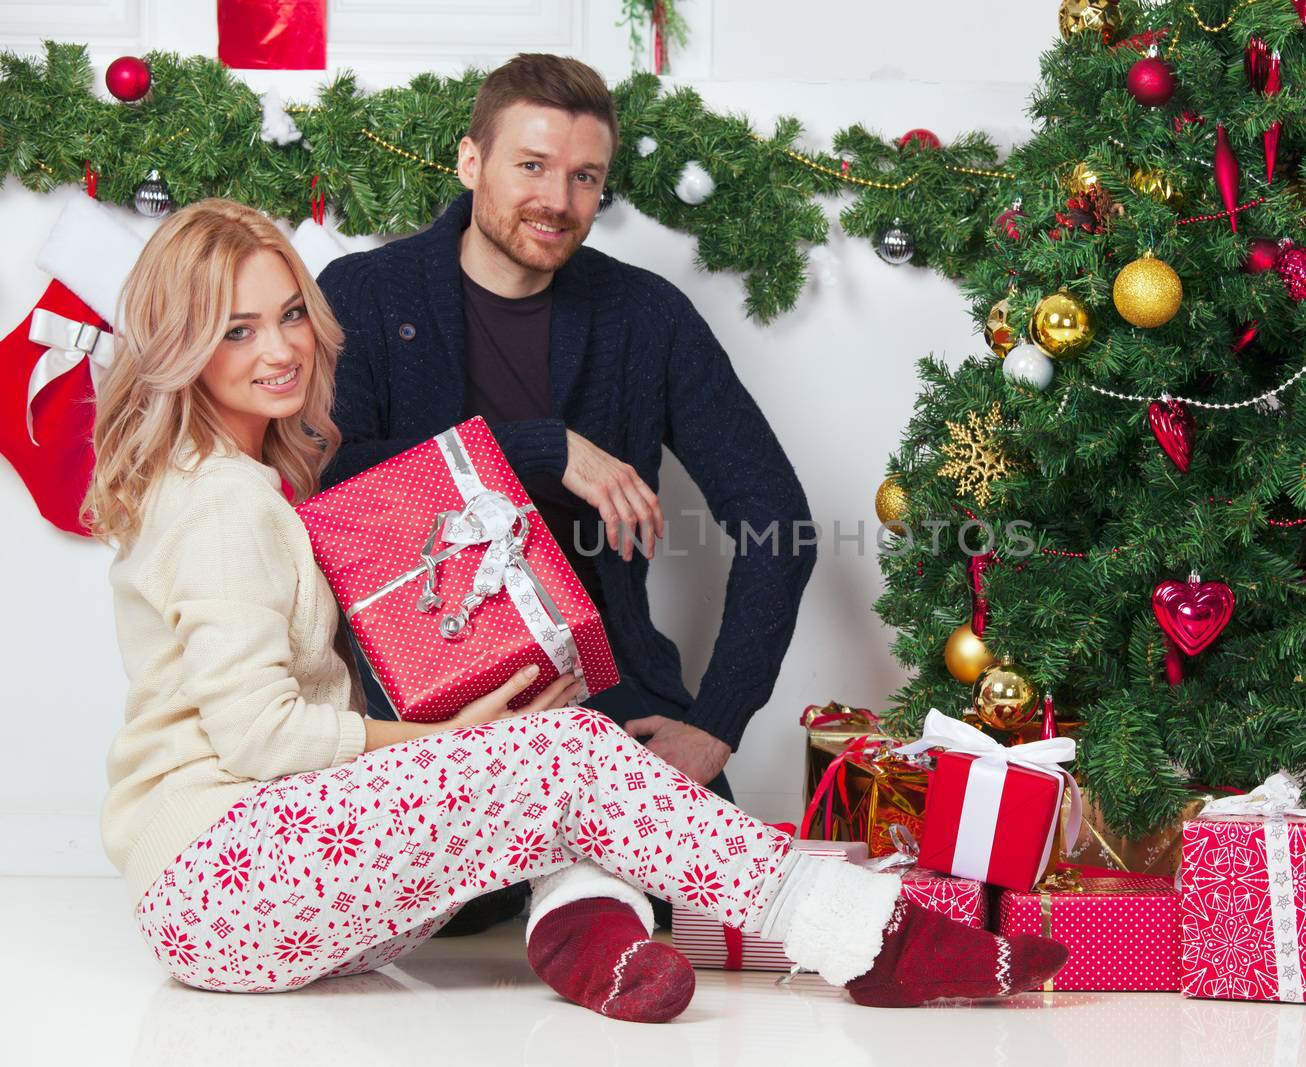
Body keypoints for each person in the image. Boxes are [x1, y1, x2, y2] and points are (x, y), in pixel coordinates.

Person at [87, 199, 1068, 1020]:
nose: (279, 348)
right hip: (222, 880)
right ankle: (867, 933)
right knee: (566, 752)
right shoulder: (221, 501)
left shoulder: (250, 477)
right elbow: (259, 735)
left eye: (290, 313)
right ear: (181, 347)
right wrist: (436, 736)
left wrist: (476, 738)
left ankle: (591, 937)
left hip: (266, 881)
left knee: (557, 745)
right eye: (236, 329)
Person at [317, 51, 814, 937]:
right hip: (427, 713)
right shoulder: (364, 292)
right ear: (472, 164)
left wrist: (718, 726)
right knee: (447, 916)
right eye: (533, 166)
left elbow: (780, 524)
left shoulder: (645, 316)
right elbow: (328, 483)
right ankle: (555, 880)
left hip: (609, 695)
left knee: (698, 898)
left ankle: (580, 893)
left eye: (585, 177)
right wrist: (541, 447)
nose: (558, 199)